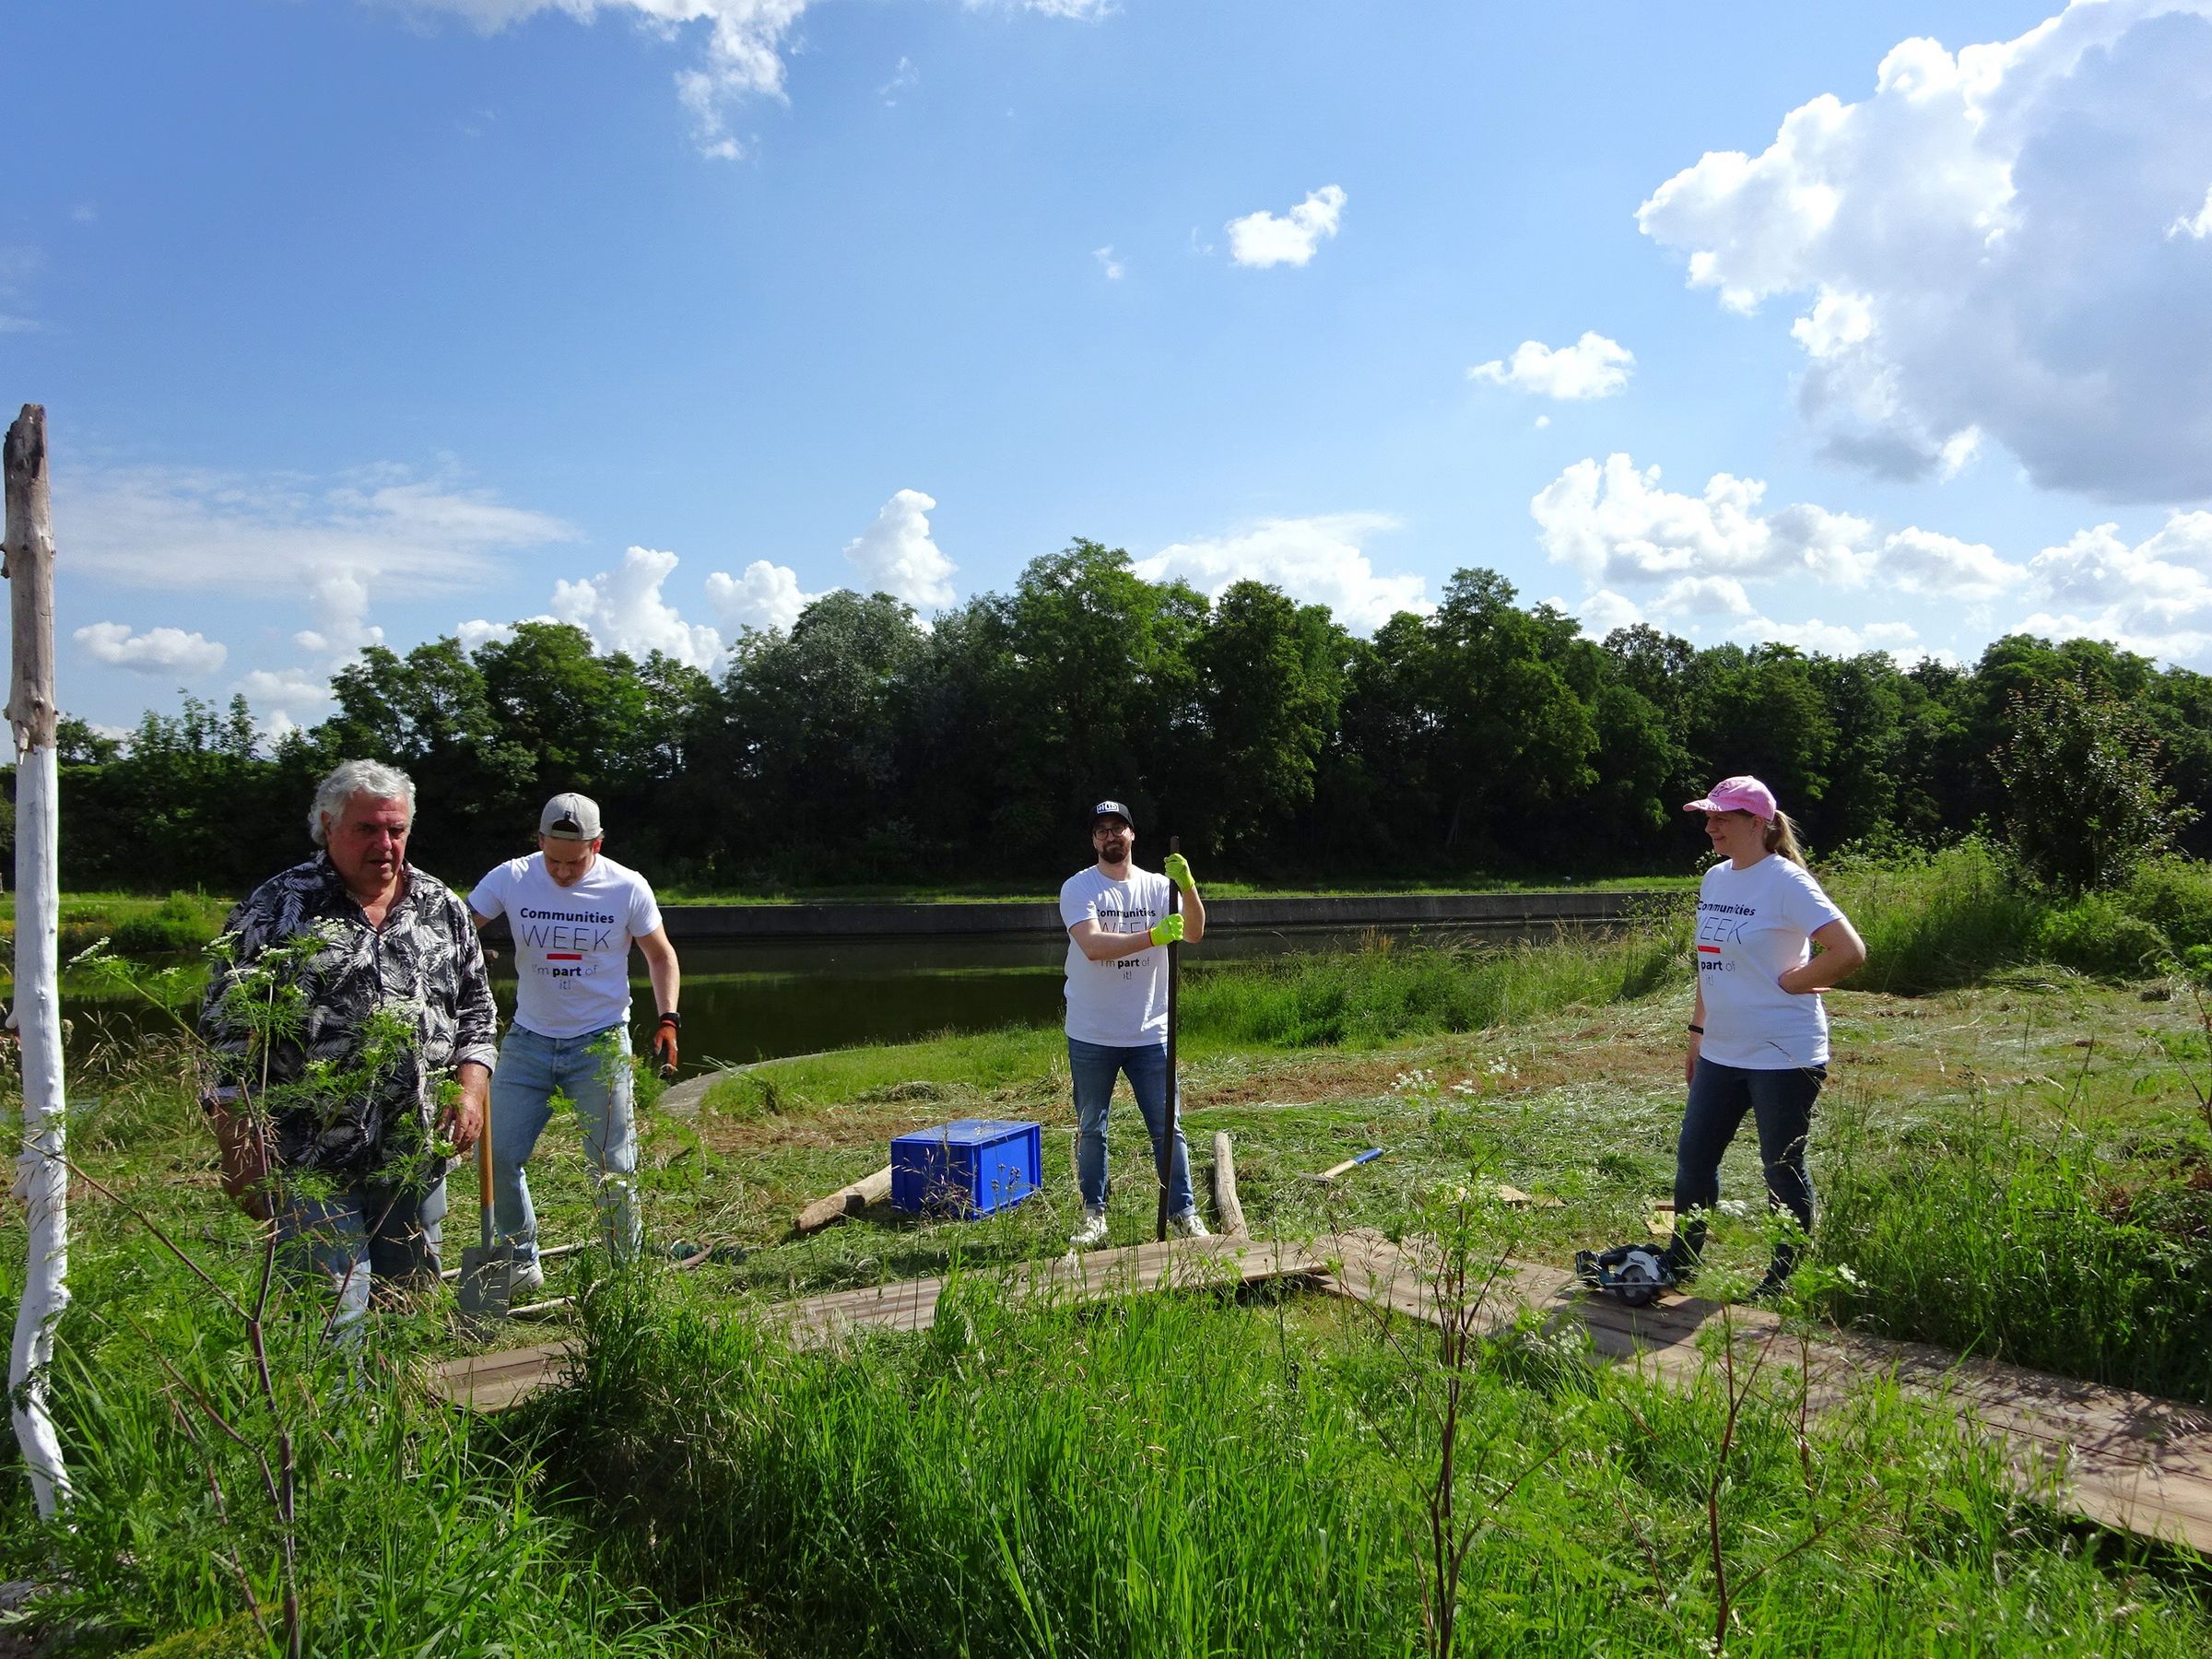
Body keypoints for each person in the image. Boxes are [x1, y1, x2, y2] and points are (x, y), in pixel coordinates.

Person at [200, 759, 497, 1341]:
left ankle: (399, 1424)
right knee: (331, 1321)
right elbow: (224, 1033)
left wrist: (470, 1090)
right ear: (328, 827)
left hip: (416, 1153)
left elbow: (477, 1015)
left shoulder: (443, 907)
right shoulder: (277, 907)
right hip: (309, 1158)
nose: (385, 844)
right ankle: (326, 1429)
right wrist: (237, 1144)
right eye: (367, 829)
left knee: (406, 1309)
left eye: (396, 829)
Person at [468, 792, 680, 1288]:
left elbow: (660, 956)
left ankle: (624, 1272)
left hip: (601, 1043)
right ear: (539, 841)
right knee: (497, 1153)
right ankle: (522, 1261)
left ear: (597, 845)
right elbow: (456, 928)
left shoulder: (627, 888)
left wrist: (668, 1018)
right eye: (553, 859)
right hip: (527, 1040)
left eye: (575, 861)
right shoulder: (511, 878)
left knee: (612, 1166)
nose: (562, 872)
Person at [1666, 775, 1866, 1300]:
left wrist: (1791, 981)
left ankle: (1784, 1277)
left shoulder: (1787, 882)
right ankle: (1681, 1261)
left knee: (1780, 1166)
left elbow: (1848, 951)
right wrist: (1697, 1034)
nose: (1710, 826)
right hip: (1721, 1050)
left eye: (1721, 818)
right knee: (1694, 1158)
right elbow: (1712, 965)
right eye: (1707, 817)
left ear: (1757, 824)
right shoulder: (1715, 879)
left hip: (1784, 1052)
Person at [1060, 799, 1209, 1248]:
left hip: (1151, 1031)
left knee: (1169, 1127)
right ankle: (1094, 1215)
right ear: (1093, 839)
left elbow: (1196, 932)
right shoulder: (1078, 888)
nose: (1110, 836)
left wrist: (1188, 887)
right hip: (1092, 1032)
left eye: (1118, 828)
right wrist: (1153, 936)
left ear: (1132, 835)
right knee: (1091, 1127)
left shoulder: (1160, 887)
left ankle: (1183, 1212)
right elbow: (1093, 946)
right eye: (1101, 830)